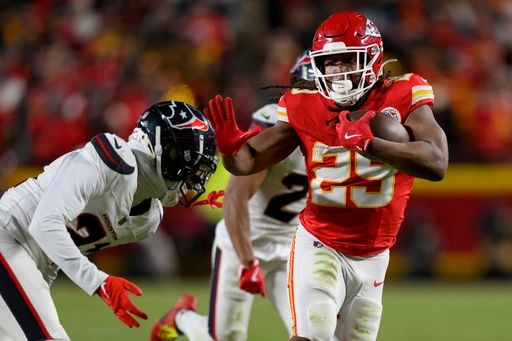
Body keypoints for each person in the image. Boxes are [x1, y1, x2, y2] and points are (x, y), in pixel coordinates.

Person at [203, 11, 449, 341]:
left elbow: (437, 162)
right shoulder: (304, 105)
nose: (338, 71)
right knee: (312, 332)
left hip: (375, 254)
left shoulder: (403, 94)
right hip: (320, 242)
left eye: (348, 60)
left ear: (373, 59)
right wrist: (231, 150)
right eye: (330, 62)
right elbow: (247, 163)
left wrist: (371, 145)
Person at [0, 101, 218, 340]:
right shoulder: (113, 159)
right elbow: (44, 223)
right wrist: (98, 281)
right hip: (9, 237)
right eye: (189, 162)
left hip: (31, 263)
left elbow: (52, 250)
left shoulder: (147, 219)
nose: (192, 179)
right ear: (164, 150)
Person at [150, 52, 314, 341]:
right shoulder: (278, 129)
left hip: (292, 247)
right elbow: (236, 197)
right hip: (246, 240)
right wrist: (248, 261)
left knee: (313, 333)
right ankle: (181, 319)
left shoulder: (341, 132)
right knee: (225, 338)